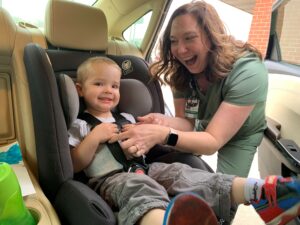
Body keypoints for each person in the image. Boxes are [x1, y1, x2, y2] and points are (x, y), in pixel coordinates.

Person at [68, 56, 300, 225]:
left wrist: (150, 130)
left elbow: (149, 141)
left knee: (181, 172)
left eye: (115, 85)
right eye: (99, 84)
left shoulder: (126, 117)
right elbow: (75, 164)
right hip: (110, 180)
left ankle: (258, 192)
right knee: (139, 188)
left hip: (146, 168)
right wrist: (94, 137)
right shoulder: (80, 125)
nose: (108, 90)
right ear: (80, 89)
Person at [112, 1, 268, 177]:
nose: (180, 50)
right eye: (173, 41)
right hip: (206, 125)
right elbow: (187, 122)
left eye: (189, 38)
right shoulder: (182, 71)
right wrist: (162, 121)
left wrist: (164, 134)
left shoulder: (248, 72)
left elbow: (213, 141)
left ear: (211, 36)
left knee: (229, 191)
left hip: (242, 135)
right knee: (185, 163)